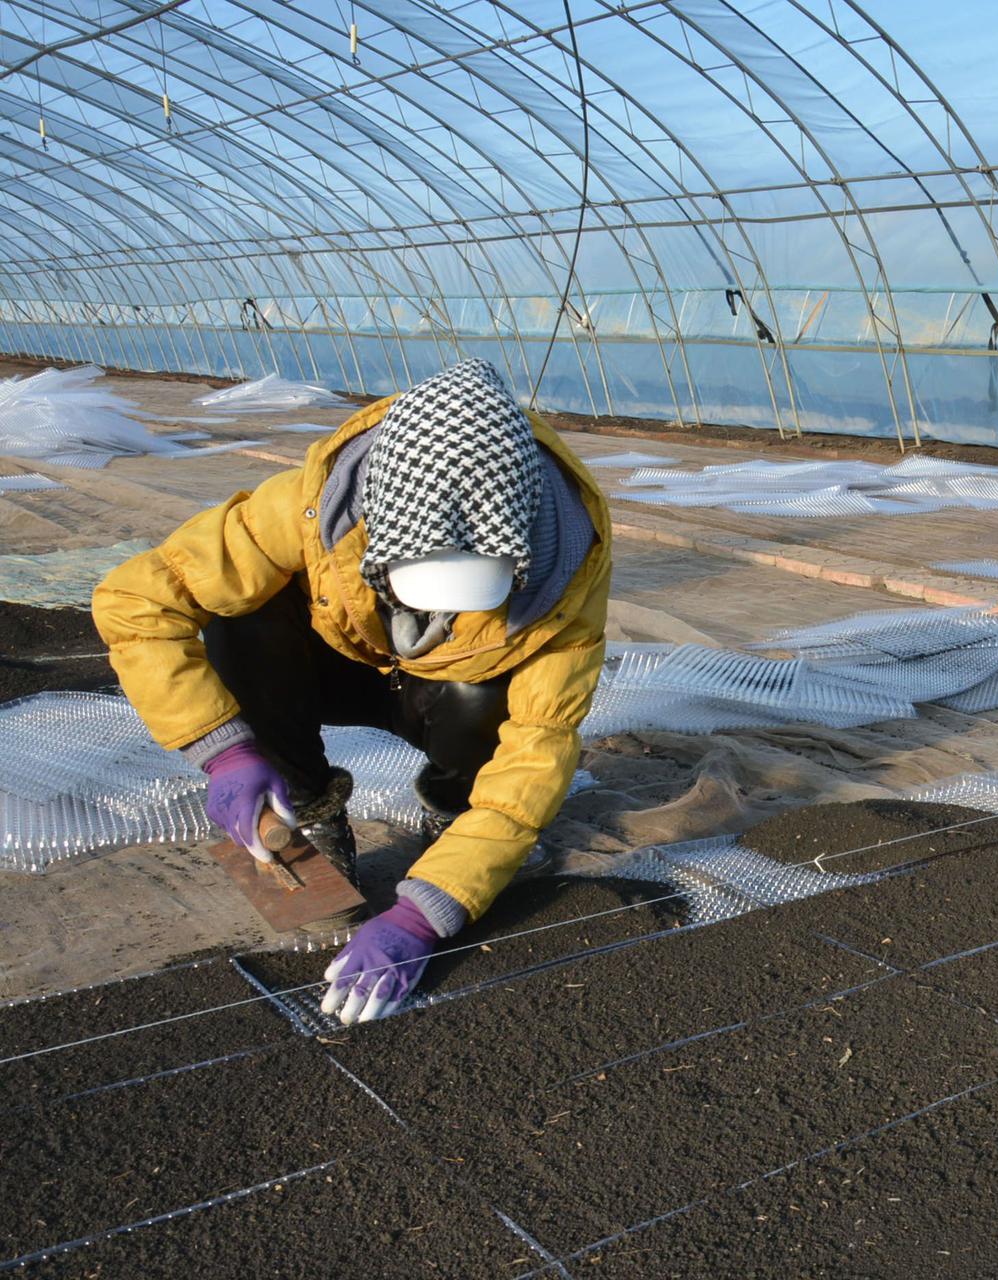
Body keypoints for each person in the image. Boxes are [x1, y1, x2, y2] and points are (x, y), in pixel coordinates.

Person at [93, 358, 611, 1024]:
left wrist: (427, 912)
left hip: (448, 696)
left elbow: (536, 753)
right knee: (240, 616)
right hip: (333, 663)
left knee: (492, 699)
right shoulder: (313, 506)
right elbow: (136, 601)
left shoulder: (565, 577)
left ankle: (455, 820)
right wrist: (222, 752)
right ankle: (305, 809)